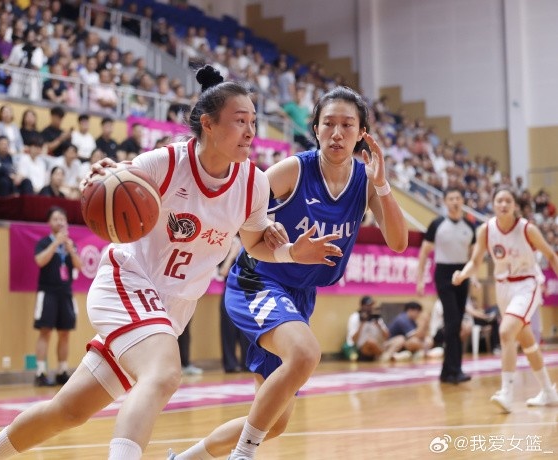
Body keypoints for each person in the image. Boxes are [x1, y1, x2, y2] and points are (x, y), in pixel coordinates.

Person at [0, 65, 337, 460]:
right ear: (208, 124)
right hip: (129, 282)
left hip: (170, 309)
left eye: (253, 122)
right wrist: (98, 177)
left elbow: (254, 244)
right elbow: (113, 180)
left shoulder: (254, 182)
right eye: (240, 121)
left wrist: (290, 252)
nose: (251, 132)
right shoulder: (166, 163)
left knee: (69, 410)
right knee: (163, 375)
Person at [172, 86, 408, 460]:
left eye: (347, 125)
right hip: (259, 279)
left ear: (362, 133)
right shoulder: (295, 169)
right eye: (328, 123)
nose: (337, 133)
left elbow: (398, 241)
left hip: (299, 296)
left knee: (274, 421)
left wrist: (382, 185)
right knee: (305, 353)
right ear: (315, 129)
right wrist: (264, 223)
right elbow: (243, 203)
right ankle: (242, 455)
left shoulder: (366, 181)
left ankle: (185, 459)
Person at [452, 187, 558, 413]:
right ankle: (548, 391)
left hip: (527, 284)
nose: (503, 204)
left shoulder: (527, 229)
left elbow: (551, 255)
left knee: (506, 331)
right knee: (527, 343)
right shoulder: (486, 230)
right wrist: (463, 274)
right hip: (503, 288)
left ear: (515, 205)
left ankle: (507, 393)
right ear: (493, 204)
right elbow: (475, 261)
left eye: (508, 200)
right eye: (499, 200)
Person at [416, 187, 476, 384]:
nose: (455, 201)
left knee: (456, 323)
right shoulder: (437, 224)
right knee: (452, 322)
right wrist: (419, 280)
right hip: (443, 274)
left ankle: (449, 371)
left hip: (462, 274)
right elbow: (424, 253)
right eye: (451, 198)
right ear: (445, 202)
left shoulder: (469, 226)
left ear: (462, 201)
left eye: (458, 198)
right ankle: (454, 370)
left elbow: (474, 257)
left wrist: (473, 277)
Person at [32, 206, 82, 387]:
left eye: (62, 219)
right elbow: (40, 261)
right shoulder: (44, 242)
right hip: (47, 292)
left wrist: (70, 248)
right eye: (56, 219)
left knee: (65, 333)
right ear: (49, 222)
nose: (59, 222)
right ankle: (40, 372)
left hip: (66, 293)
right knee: (45, 331)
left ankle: (62, 371)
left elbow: (79, 266)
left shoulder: (70, 244)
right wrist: (56, 244)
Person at [218, 235, 250, 373]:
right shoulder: (227, 245)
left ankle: (248, 363)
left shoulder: (252, 245)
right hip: (230, 294)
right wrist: (232, 253)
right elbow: (222, 272)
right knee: (228, 331)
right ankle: (230, 364)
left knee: (247, 333)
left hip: (248, 294)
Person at [345, 295, 405, 362]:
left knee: (400, 338)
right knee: (370, 342)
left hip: (380, 346)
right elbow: (353, 340)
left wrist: (379, 326)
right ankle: (387, 356)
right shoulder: (355, 317)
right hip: (363, 348)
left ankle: (386, 356)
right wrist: (362, 324)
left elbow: (387, 336)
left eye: (371, 305)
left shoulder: (376, 317)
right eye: (368, 305)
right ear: (362, 305)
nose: (370, 307)